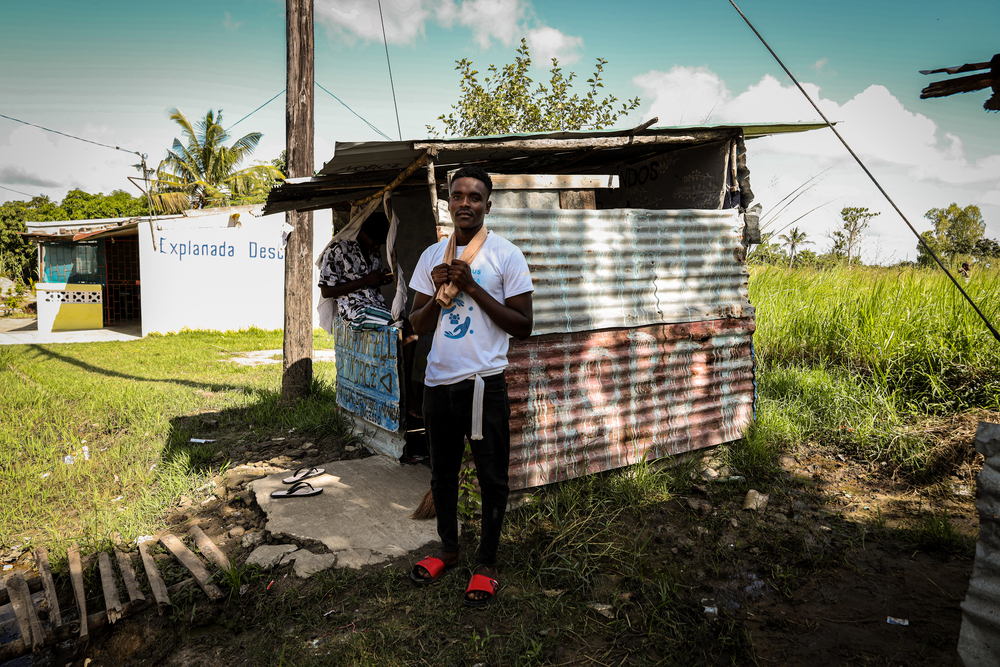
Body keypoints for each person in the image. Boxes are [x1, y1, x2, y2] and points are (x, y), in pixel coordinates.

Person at [407, 166, 533, 607]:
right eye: (458, 195)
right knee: (441, 473)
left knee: (491, 476)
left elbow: (524, 326)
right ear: (448, 201)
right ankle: (448, 550)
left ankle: (487, 563)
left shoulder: (505, 255)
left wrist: (473, 288)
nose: (465, 203)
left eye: (475, 197)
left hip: (483, 384)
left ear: (487, 205)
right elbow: (417, 324)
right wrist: (440, 286)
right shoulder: (430, 258)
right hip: (437, 383)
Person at [317, 212, 393, 325]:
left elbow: (370, 287)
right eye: (374, 241)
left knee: (404, 324)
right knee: (400, 325)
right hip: (353, 312)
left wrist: (380, 280)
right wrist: (365, 280)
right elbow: (326, 291)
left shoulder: (374, 253)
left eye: (380, 243)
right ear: (362, 233)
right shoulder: (338, 250)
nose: (377, 246)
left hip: (376, 306)